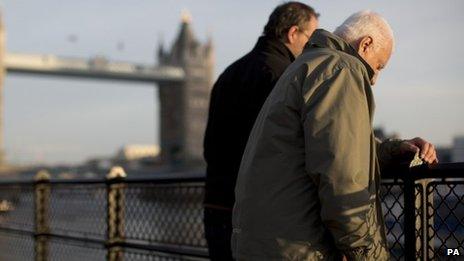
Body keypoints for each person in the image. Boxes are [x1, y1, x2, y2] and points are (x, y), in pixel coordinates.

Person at [232, 11, 438, 260]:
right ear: (366, 44)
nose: (374, 79)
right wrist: (369, 254)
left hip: (264, 243)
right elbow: (341, 176)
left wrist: (393, 150)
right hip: (300, 248)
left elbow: (328, 142)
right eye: (378, 66)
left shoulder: (305, 65)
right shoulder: (341, 68)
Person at [203, 2, 319, 260]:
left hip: (216, 205)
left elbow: (210, 147)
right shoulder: (285, 78)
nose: (314, 47)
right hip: (257, 214)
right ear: (292, 33)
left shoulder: (227, 74)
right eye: (312, 38)